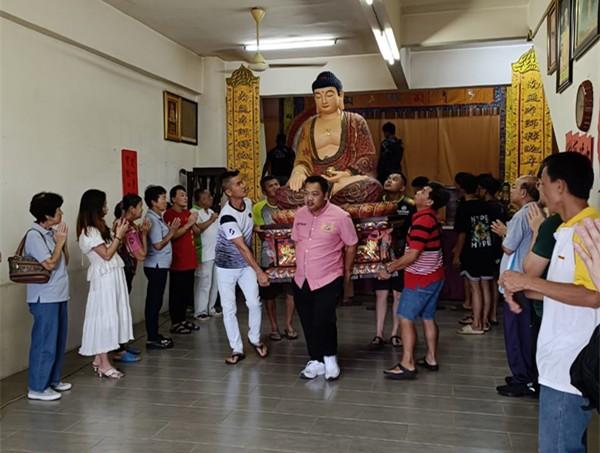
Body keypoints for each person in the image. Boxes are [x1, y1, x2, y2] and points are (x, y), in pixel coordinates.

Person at [500, 152, 600, 453]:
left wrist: (528, 281)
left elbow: (593, 295)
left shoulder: (587, 230)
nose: (538, 191)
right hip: (559, 358)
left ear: (560, 187)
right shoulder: (565, 229)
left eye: (542, 183)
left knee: (558, 447)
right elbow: (561, 289)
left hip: (570, 362)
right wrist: (520, 287)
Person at [276, 71, 383, 208]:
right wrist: (299, 171)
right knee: (282, 194)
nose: (324, 101)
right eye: (318, 96)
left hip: (345, 183)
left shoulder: (355, 121)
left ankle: (322, 202)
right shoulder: (308, 125)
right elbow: (303, 159)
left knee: (372, 188)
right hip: (316, 185)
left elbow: (367, 157)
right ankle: (326, 199)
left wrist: (347, 174)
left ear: (340, 95)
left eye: (329, 94)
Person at [291, 175, 358, 380]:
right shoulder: (300, 214)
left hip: (328, 276)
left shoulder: (340, 216)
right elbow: (296, 242)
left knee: (324, 320)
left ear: (326, 195)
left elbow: (351, 244)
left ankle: (330, 359)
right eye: (306, 194)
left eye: (315, 194)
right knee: (308, 320)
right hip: (302, 278)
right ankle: (316, 360)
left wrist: (346, 273)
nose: (309, 199)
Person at [380, 183, 449, 380]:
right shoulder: (429, 218)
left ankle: (407, 363)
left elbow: (413, 255)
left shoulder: (423, 220)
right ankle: (431, 358)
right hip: (434, 276)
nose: (418, 192)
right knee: (428, 317)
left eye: (423, 192)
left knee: (405, 318)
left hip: (421, 278)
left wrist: (389, 268)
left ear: (429, 201)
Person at [491, 176, 539, 397]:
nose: (510, 191)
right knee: (523, 331)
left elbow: (508, 248)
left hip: (517, 282)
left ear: (523, 193)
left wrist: (504, 233)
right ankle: (524, 373)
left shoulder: (522, 215)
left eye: (514, 187)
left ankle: (523, 378)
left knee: (516, 333)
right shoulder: (535, 211)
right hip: (525, 279)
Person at [77, 189, 133, 379]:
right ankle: (104, 362)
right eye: (103, 203)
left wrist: (119, 233)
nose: (106, 207)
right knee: (104, 317)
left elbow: (113, 249)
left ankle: (99, 359)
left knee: (111, 315)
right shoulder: (89, 231)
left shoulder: (99, 227)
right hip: (104, 279)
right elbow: (107, 254)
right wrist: (118, 235)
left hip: (112, 276)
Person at [215, 170, 269, 364]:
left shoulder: (247, 204)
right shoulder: (226, 217)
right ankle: (236, 348)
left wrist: (260, 230)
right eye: (238, 184)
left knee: (254, 302)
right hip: (226, 267)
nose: (244, 185)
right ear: (229, 192)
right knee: (229, 308)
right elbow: (242, 248)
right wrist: (260, 271)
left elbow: (247, 225)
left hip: (245, 265)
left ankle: (255, 338)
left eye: (243, 182)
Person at [24, 192, 71, 401]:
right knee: (44, 342)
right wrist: (59, 244)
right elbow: (49, 264)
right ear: (47, 215)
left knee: (58, 340)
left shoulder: (50, 233)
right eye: (58, 210)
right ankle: (37, 387)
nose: (61, 213)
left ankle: (53, 379)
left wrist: (61, 242)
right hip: (44, 297)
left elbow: (64, 261)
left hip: (59, 294)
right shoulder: (34, 236)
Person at [370, 172, 415, 349]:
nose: (389, 180)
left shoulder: (409, 205)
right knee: (380, 293)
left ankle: (395, 333)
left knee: (398, 294)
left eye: (395, 179)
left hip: (401, 253)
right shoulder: (376, 202)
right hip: (380, 253)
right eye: (388, 178)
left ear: (403, 187)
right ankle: (378, 333)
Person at [254, 176, 298, 341]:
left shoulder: (289, 206)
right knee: (269, 294)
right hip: (268, 254)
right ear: (264, 191)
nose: (275, 187)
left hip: (290, 254)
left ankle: (289, 325)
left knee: (291, 291)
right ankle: (274, 327)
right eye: (271, 186)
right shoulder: (259, 208)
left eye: (277, 184)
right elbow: (261, 234)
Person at [453, 173, 495, 335]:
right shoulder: (486, 205)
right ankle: (485, 322)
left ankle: (476, 324)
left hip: (472, 252)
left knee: (475, 288)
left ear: (460, 188)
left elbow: (462, 233)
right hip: (487, 250)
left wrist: (457, 254)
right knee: (486, 287)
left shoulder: (464, 207)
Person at [112, 194, 151, 363]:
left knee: (121, 308)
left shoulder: (122, 224)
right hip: (124, 272)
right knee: (119, 309)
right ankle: (118, 349)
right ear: (131, 209)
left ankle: (121, 345)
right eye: (140, 206)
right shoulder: (128, 228)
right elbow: (141, 255)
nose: (141, 210)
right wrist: (144, 235)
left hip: (123, 272)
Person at [143, 185, 180, 350]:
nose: (165, 201)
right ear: (153, 202)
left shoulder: (159, 217)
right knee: (154, 302)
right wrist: (172, 232)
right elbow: (157, 245)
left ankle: (154, 334)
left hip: (160, 265)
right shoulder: (151, 219)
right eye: (163, 198)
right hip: (155, 265)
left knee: (156, 301)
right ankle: (152, 337)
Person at [163, 185, 200, 334]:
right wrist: (189, 223)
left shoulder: (187, 212)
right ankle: (175, 322)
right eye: (182, 195)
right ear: (173, 199)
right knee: (176, 292)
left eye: (186, 195)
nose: (185, 198)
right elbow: (173, 235)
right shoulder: (169, 215)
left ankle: (183, 319)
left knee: (186, 291)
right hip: (177, 259)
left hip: (190, 257)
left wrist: (194, 222)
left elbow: (196, 232)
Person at [478, 173, 508, 326]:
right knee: (495, 281)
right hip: (499, 245)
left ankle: (485, 318)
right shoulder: (501, 206)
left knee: (486, 283)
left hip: (489, 246)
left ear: (484, 190)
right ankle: (493, 314)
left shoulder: (486, 207)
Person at [191, 189, 220, 320]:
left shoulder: (212, 212)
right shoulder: (194, 212)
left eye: (210, 196)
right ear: (200, 200)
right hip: (203, 253)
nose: (210, 198)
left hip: (215, 252)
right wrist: (212, 220)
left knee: (215, 283)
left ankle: (211, 308)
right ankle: (200, 311)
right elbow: (197, 230)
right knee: (203, 283)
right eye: (207, 197)